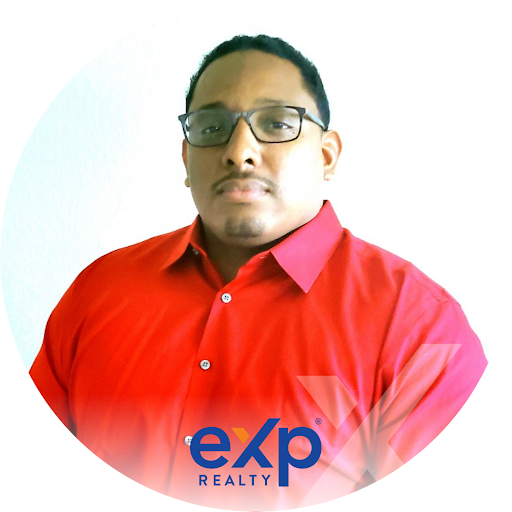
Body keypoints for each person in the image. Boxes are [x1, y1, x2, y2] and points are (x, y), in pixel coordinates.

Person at [29, 34, 487, 511]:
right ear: (186, 158)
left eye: (277, 123)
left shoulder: (419, 329)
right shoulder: (98, 293)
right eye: (212, 127)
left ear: (327, 156)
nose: (240, 151)